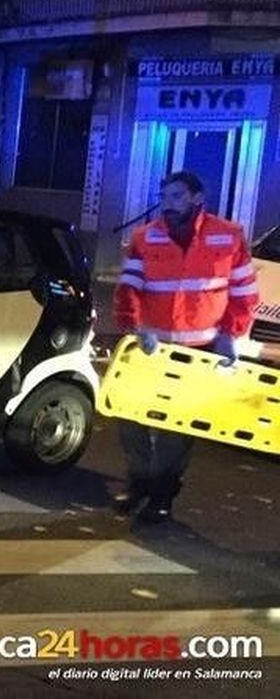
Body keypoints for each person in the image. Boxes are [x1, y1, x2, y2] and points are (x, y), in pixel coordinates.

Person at [113, 170, 257, 524]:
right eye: (164, 197)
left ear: (197, 198)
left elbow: (244, 294)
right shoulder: (146, 237)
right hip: (152, 348)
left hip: (199, 351)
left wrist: (230, 336)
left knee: (174, 431)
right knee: (129, 415)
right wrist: (135, 326)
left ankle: (161, 495)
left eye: (177, 196)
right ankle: (140, 482)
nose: (169, 204)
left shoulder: (228, 236)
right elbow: (128, 289)